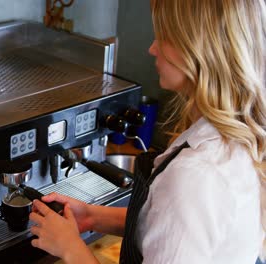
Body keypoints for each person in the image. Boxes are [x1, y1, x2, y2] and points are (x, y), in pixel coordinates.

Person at [29, 0, 266, 263]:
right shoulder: (233, 136)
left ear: (200, 49)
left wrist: (71, 248)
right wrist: (92, 216)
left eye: (164, 37)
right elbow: (170, 226)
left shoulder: (195, 176)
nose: (152, 48)